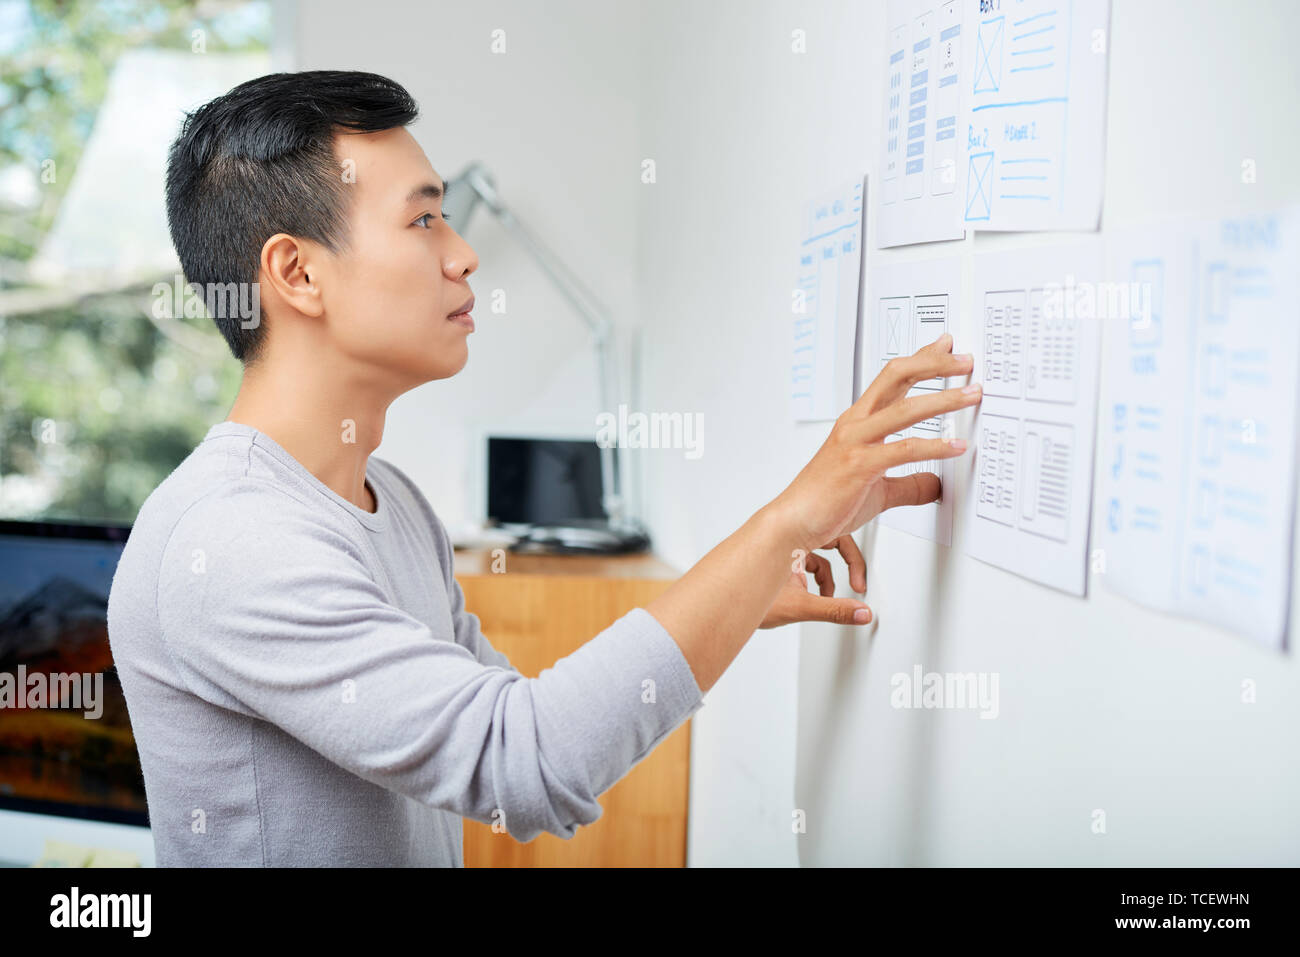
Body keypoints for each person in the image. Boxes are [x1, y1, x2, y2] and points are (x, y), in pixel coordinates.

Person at [106, 70, 982, 866]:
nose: (462, 251)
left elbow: (502, 702)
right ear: (297, 272)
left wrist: (741, 592)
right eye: (421, 218)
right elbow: (521, 759)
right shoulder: (226, 539)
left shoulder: (392, 501)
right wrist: (783, 523)